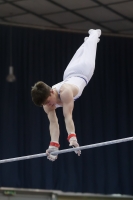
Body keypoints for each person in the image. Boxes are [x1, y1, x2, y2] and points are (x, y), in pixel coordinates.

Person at [31, 29, 101, 161]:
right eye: (45, 104)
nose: (49, 105)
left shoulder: (65, 92)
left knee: (91, 44)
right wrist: (54, 145)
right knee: (80, 51)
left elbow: (67, 116)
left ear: (52, 91)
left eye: (48, 101)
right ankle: (86, 42)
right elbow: (54, 123)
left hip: (84, 70)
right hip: (69, 73)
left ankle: (94, 35)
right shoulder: (47, 105)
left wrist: (72, 136)